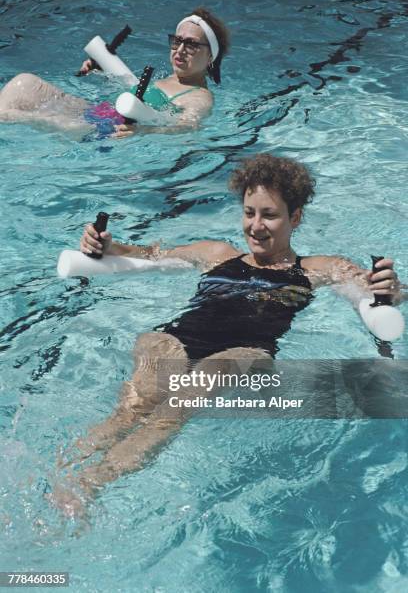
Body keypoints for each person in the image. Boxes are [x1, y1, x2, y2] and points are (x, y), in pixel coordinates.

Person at [51, 153, 403, 517]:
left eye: (269, 215)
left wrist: (388, 288)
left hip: (243, 352)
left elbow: (371, 286)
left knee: (180, 402)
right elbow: (147, 254)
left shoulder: (315, 268)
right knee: (135, 405)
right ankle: (60, 475)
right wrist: (103, 245)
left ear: (295, 218)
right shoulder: (216, 254)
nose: (256, 225)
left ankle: (92, 483)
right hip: (177, 338)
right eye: (249, 212)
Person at [0, 7, 230, 137]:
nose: (179, 50)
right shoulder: (168, 79)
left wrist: (142, 131)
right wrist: (100, 74)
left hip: (103, 131)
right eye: (176, 41)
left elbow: (188, 127)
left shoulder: (199, 96)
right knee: (24, 83)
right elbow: (127, 97)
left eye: (191, 45)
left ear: (211, 57)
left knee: (12, 114)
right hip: (96, 113)